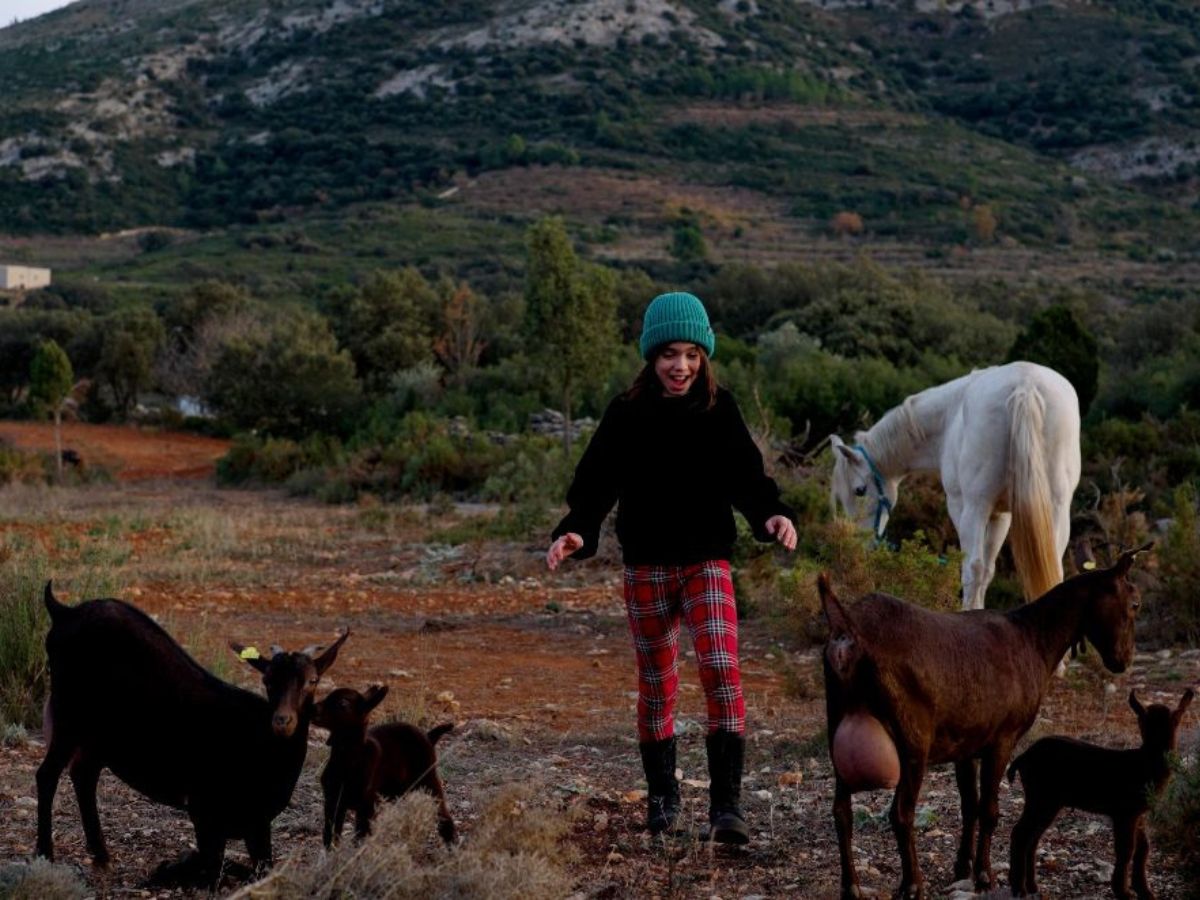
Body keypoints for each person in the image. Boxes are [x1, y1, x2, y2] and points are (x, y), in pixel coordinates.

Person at [546, 290, 797, 844]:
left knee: (721, 671)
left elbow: (748, 480)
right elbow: (595, 486)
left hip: (706, 561)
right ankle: (663, 801)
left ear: (703, 355)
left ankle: (726, 809)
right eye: (668, 354)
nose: (679, 366)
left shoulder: (720, 409)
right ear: (650, 356)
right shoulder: (625, 414)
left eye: (690, 354)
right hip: (646, 567)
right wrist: (576, 531)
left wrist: (772, 516)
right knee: (657, 685)